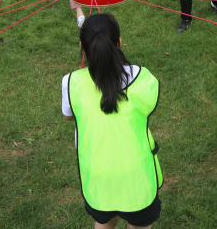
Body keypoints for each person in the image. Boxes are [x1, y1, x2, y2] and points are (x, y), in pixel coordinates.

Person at [62, 13, 163, 229]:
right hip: (137, 177)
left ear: (82, 46)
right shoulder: (144, 78)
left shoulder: (70, 82)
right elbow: (148, 107)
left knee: (105, 221)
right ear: (119, 42)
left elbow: (69, 115)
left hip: (98, 177)